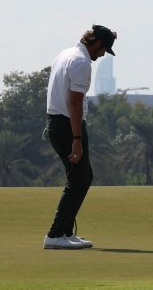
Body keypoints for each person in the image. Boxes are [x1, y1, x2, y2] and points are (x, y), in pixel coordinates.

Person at [42, 24, 117, 250]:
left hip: (58, 123)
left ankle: (65, 232)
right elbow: (74, 103)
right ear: (96, 43)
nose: (102, 54)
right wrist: (77, 139)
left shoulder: (66, 54)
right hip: (67, 126)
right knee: (78, 179)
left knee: (83, 177)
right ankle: (55, 234)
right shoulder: (81, 62)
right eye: (103, 49)